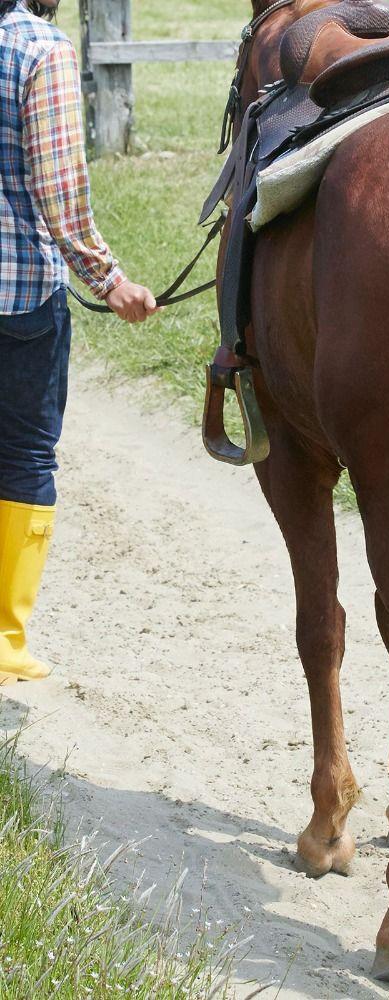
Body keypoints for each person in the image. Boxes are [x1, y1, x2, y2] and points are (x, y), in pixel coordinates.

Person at [0, 0, 156, 684]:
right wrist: (109, 279)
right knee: (26, 453)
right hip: (17, 293)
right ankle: (5, 636)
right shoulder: (38, 49)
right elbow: (58, 188)